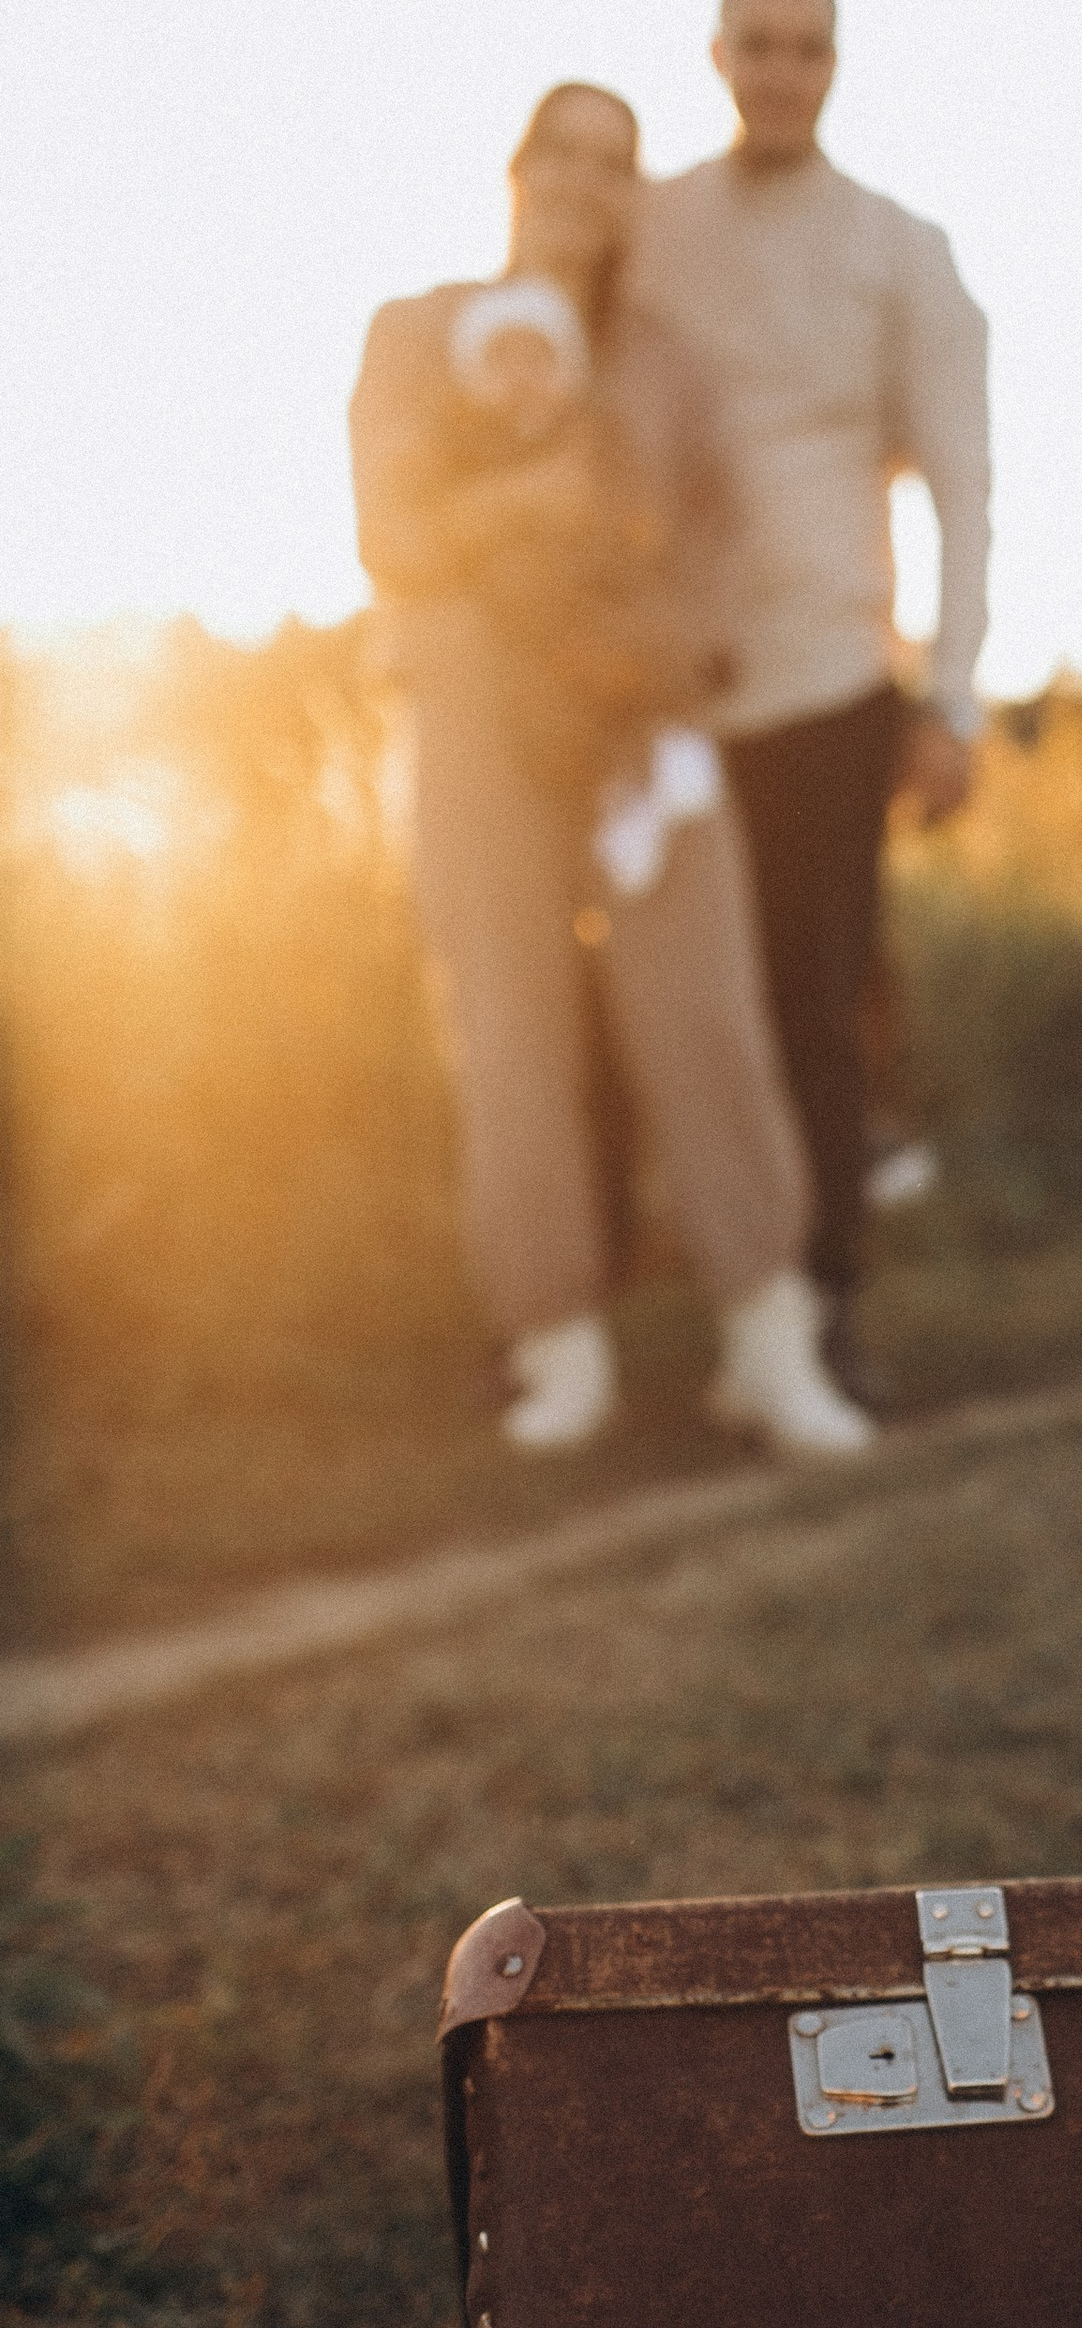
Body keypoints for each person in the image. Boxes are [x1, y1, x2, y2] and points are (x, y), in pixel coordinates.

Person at [349, 80, 876, 1459]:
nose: (585, 180)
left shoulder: (663, 364)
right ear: (516, 166)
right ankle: (555, 1347)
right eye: (562, 152)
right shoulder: (416, 337)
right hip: (474, 713)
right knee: (509, 1020)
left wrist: (654, 657)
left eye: (615, 161)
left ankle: (770, 1340)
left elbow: (710, 557)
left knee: (706, 1011)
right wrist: (538, 510)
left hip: (641, 724)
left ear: (634, 192)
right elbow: (395, 532)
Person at [629, 0, 991, 1409]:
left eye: (808, 49)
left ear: (834, 65)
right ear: (716, 55)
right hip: (662, 697)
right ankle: (706, 1301)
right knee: (675, 1010)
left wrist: (951, 697)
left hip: (837, 683)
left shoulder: (902, 250)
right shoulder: (652, 235)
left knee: (817, 1006)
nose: (782, 71)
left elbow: (963, 483)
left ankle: (826, 1307)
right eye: (758, 46)